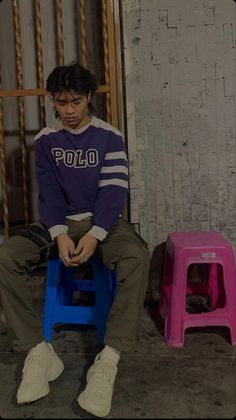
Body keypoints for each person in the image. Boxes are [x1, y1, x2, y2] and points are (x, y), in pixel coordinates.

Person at [0, 62, 150, 418]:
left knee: (137, 257)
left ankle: (108, 361)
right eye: (61, 102)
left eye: (76, 102)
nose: (68, 110)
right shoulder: (46, 141)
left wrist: (97, 235)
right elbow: (49, 194)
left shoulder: (109, 138)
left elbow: (113, 193)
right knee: (7, 256)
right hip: (60, 224)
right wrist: (59, 233)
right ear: (53, 100)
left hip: (105, 223)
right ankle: (39, 352)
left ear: (89, 99)